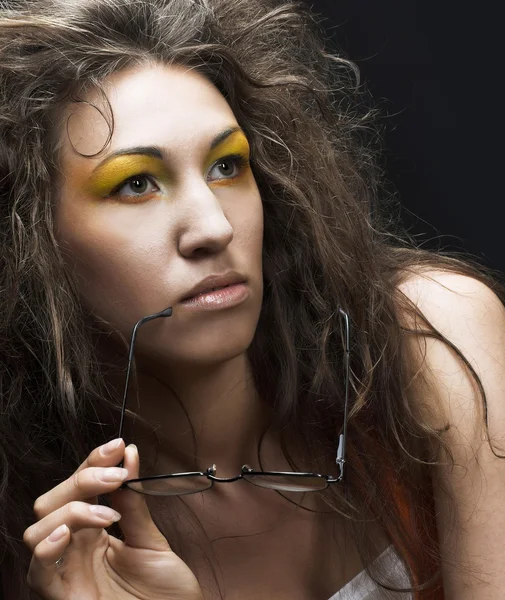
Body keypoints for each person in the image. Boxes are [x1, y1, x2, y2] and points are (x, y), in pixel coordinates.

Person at [1, 0, 504, 598]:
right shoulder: (50, 550)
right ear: (29, 240)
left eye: (226, 166)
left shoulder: (431, 337)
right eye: (136, 184)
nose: (214, 227)